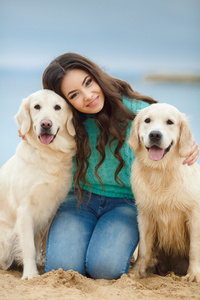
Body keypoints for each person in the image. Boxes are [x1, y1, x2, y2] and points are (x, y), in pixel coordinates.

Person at [21, 53, 199, 280]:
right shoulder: (65, 119)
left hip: (123, 204)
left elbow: (169, 130)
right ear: (65, 102)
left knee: (106, 269)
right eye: (74, 95)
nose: (88, 96)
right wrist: (27, 131)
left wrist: (190, 145)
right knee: (63, 267)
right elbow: (36, 125)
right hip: (79, 200)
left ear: (97, 76)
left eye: (88, 83)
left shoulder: (138, 111)